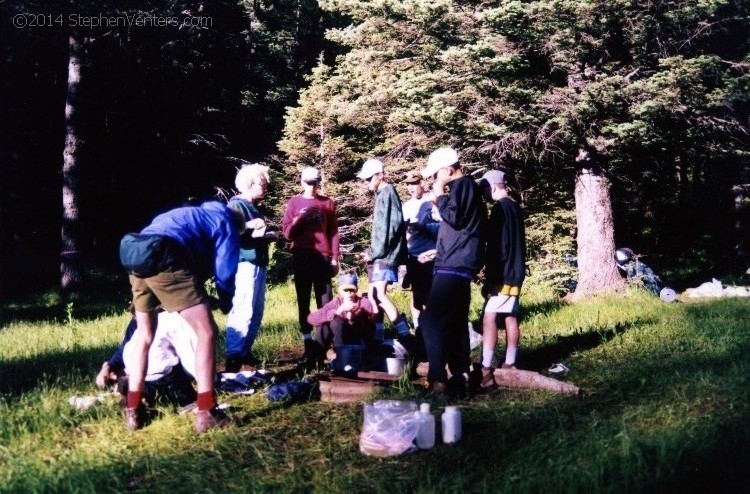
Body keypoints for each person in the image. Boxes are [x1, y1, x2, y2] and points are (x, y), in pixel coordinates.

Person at [119, 200, 246, 433]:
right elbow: (225, 272)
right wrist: (226, 302)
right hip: (163, 252)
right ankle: (207, 412)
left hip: (134, 252)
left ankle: (133, 410)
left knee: (145, 334)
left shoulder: (194, 215)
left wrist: (204, 298)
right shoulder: (227, 223)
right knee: (207, 332)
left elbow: (185, 276)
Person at [419, 147, 487, 397]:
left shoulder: (463, 187)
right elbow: (461, 229)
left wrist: (438, 195)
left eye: (437, 174)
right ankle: (461, 375)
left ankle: (438, 380)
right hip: (456, 262)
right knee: (456, 322)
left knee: (430, 320)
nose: (435, 180)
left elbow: (454, 218)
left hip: (454, 266)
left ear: (448, 170)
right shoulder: (465, 189)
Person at [282, 167, 340, 364]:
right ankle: (308, 344)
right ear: (301, 182)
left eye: (315, 182)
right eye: (308, 182)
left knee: (326, 302)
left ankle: (324, 344)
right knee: (303, 300)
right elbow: (288, 233)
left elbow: (333, 233)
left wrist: (335, 259)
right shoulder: (294, 203)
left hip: (322, 258)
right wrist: (300, 219)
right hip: (302, 256)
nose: (312, 186)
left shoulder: (327, 203)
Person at [357, 158, 415, 353]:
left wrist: (374, 252)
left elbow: (390, 229)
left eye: (368, 179)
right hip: (379, 254)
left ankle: (405, 335)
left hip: (385, 255)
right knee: (373, 295)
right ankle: (378, 336)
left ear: (380, 175)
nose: (366, 183)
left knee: (380, 295)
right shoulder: (381, 193)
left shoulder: (388, 192)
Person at [225, 164, 277, 372]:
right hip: (244, 263)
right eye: (262, 184)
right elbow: (230, 229)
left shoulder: (254, 207)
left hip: (258, 262)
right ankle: (234, 357)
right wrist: (249, 226)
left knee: (256, 312)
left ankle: (245, 352)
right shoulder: (236, 205)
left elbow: (252, 235)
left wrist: (266, 237)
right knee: (243, 309)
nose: (265, 187)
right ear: (250, 183)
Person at [477, 169, 526, 388]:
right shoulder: (515, 207)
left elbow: (499, 246)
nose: (485, 194)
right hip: (515, 272)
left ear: (494, 186)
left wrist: (490, 277)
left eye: (485, 189)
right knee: (510, 317)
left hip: (502, 274)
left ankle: (485, 365)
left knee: (489, 317)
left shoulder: (499, 209)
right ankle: (510, 362)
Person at [96, 309, 197, 407]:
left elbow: (127, 351)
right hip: (164, 376)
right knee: (188, 396)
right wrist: (108, 367)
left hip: (143, 374)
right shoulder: (140, 323)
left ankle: (135, 394)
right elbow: (192, 357)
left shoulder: (154, 319)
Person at [401, 171, 440, 361]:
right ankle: (418, 329)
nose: (410, 187)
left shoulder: (432, 203)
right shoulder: (405, 206)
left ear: (422, 184)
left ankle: (434, 330)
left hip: (431, 256)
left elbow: (442, 228)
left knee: (432, 295)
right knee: (416, 295)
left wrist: (423, 227)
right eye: (408, 184)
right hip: (412, 256)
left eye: (414, 183)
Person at [307, 273, 378, 353]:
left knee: (336, 322)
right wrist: (337, 312)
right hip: (340, 340)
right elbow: (311, 319)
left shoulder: (365, 303)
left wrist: (354, 320)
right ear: (341, 291)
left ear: (356, 290)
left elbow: (371, 330)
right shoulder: (336, 303)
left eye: (352, 290)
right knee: (326, 324)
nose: (349, 293)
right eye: (345, 290)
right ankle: (320, 357)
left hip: (360, 341)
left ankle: (357, 356)